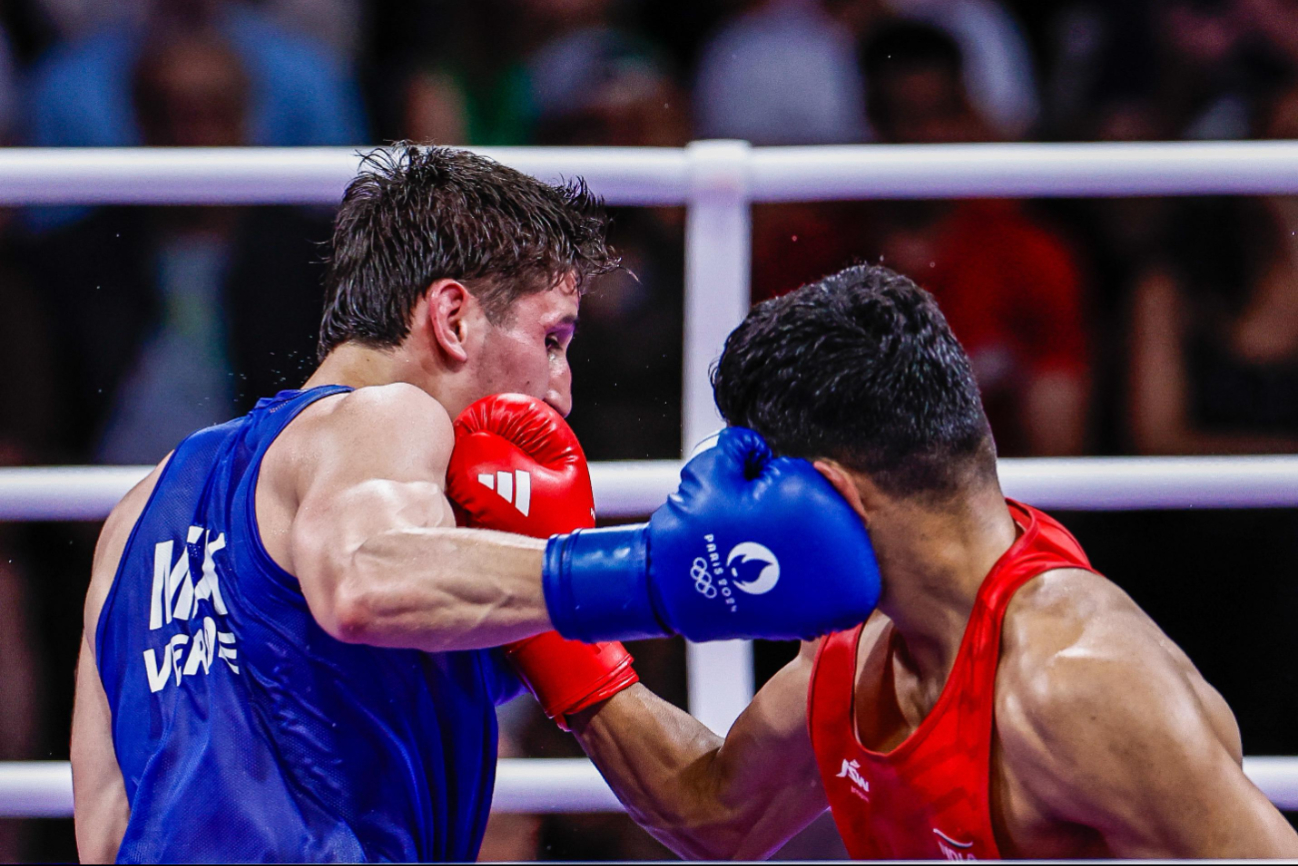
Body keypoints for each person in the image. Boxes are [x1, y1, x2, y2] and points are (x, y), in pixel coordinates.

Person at [69, 144, 882, 862]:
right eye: (553, 339)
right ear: (452, 318)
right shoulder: (386, 414)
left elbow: (107, 829)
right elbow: (364, 580)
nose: (562, 390)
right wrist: (665, 573)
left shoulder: (138, 513)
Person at [561, 264, 1298, 858]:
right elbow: (717, 814)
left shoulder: (1080, 687)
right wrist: (552, 630)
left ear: (824, 499)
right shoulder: (855, 646)